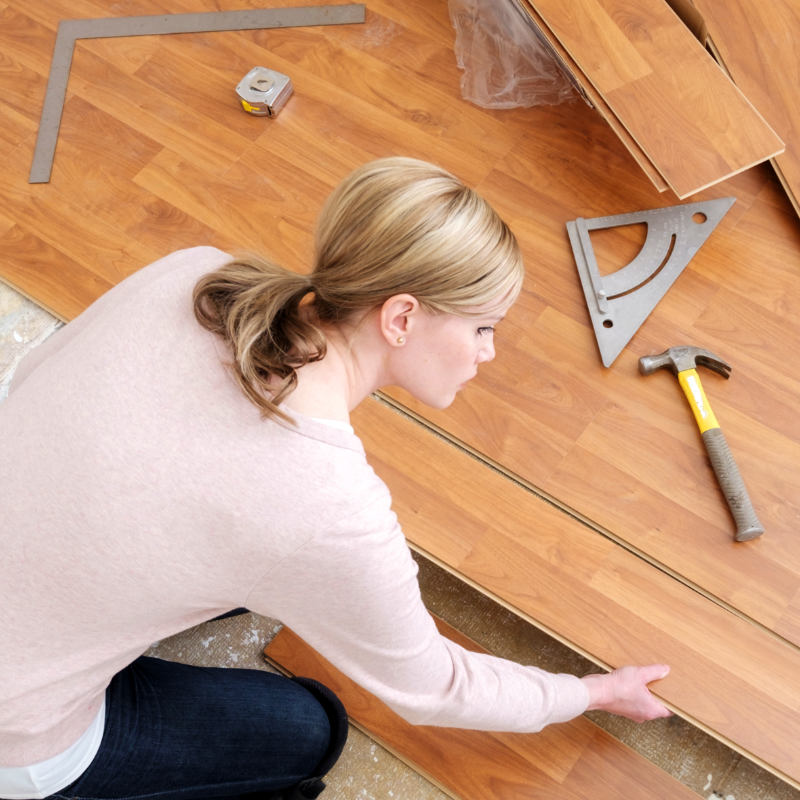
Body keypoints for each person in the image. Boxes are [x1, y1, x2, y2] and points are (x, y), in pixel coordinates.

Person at [0, 157, 671, 800]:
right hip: (16, 731)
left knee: (268, 567)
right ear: (402, 317)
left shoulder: (197, 275)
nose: (488, 352)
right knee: (312, 729)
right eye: (484, 327)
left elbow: (29, 381)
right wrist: (594, 693)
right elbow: (437, 687)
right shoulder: (327, 509)